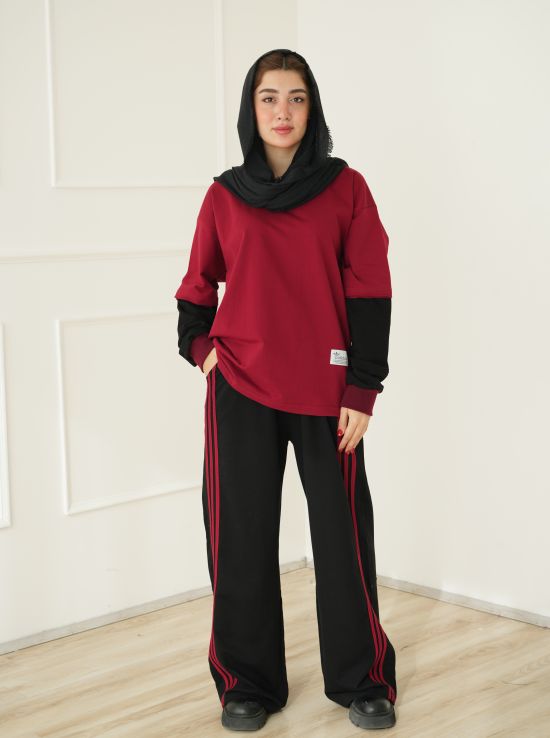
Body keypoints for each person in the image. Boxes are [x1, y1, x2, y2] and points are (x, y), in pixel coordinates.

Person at [174, 48, 397, 732]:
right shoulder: (224, 195)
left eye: (296, 98)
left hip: (328, 393)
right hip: (241, 387)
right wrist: (206, 354)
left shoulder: (346, 188)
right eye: (269, 97)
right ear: (251, 108)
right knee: (239, 538)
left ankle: (363, 679)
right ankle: (246, 683)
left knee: (342, 538)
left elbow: (371, 287)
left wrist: (363, 388)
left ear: (313, 108)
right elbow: (194, 292)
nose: (282, 111)